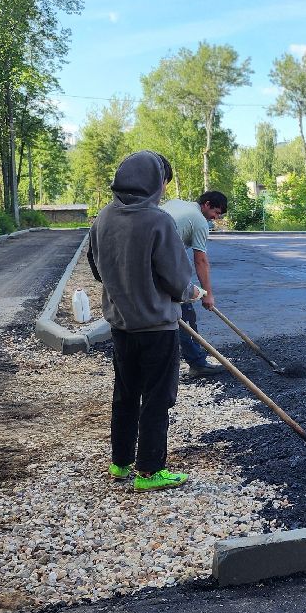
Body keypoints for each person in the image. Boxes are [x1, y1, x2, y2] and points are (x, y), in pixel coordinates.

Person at [86, 150, 197, 492]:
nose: (163, 189)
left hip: (121, 325)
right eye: (163, 182)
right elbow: (178, 281)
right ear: (154, 182)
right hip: (157, 329)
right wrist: (193, 293)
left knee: (125, 392)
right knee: (157, 398)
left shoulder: (102, 218)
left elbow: (95, 267)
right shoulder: (157, 221)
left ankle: (120, 463)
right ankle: (150, 471)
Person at [161, 189, 229, 381]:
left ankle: (168, 362)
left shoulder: (176, 203)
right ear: (206, 204)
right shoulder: (199, 221)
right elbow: (200, 261)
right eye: (216, 212)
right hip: (163, 265)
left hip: (149, 260)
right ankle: (198, 364)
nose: (215, 218)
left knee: (166, 313)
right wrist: (207, 294)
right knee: (185, 311)